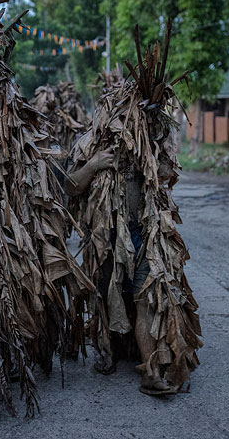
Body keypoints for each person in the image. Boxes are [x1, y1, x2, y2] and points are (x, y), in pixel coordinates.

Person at [64, 148, 176, 395]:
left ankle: (150, 372)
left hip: (145, 233)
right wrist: (93, 165)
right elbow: (70, 187)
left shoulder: (150, 138)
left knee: (145, 297)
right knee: (107, 297)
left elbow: (168, 175)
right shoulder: (92, 140)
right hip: (106, 238)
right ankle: (109, 350)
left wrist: (154, 158)